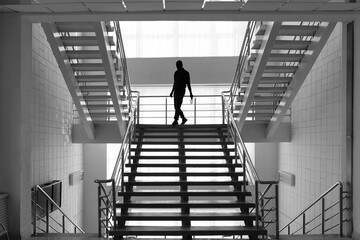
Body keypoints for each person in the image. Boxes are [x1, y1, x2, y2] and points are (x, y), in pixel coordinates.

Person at [170, 60, 193, 126]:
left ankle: (176, 120)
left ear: (181, 65)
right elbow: (174, 83)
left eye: (178, 65)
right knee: (176, 106)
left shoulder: (186, 73)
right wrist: (172, 91)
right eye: (176, 65)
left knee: (177, 105)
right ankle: (183, 118)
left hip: (181, 90)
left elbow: (188, 84)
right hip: (176, 91)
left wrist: (191, 93)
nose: (177, 67)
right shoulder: (176, 73)